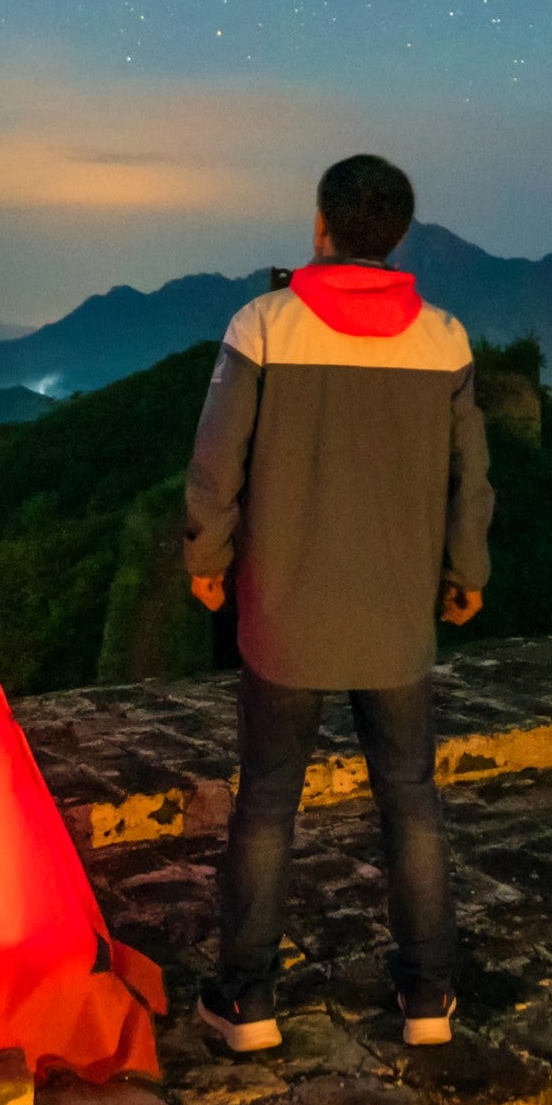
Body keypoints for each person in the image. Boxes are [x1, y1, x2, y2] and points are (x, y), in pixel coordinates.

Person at [183, 153, 494, 1052]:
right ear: (397, 236)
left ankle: (246, 1001)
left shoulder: (263, 325)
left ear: (320, 226)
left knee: (266, 800)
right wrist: (466, 571)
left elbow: (215, 460)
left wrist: (207, 556)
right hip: (396, 619)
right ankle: (427, 995)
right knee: (410, 799)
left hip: (284, 615)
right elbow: (470, 478)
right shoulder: (444, 340)